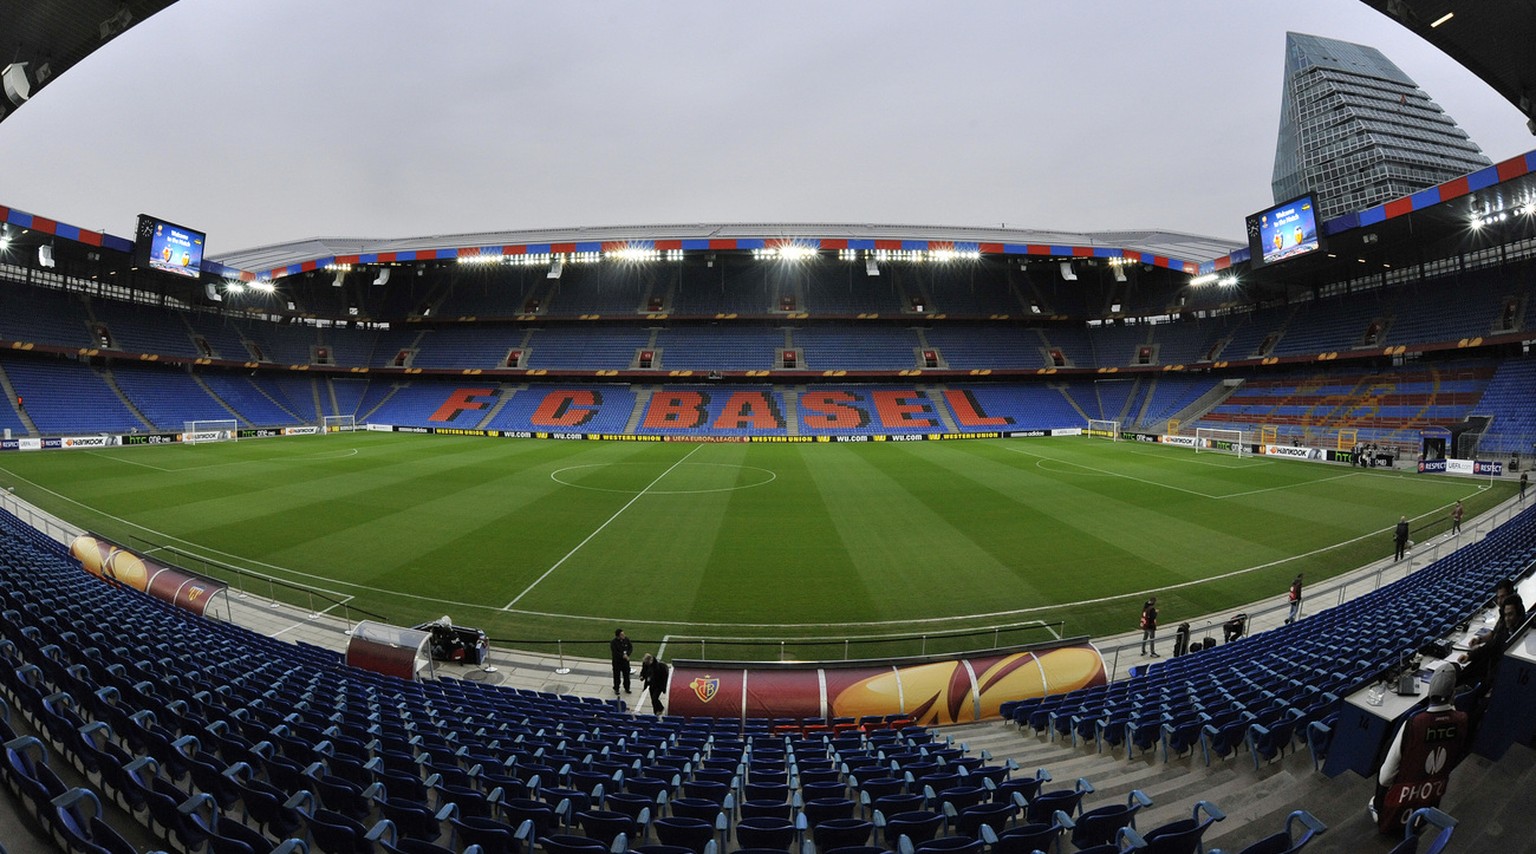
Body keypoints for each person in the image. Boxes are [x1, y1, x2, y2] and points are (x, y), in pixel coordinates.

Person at [1369, 664, 1467, 833]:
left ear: (1429, 693)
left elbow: (1385, 779)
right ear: (1453, 694)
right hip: (1430, 802)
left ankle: (1377, 807)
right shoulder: (1462, 720)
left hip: (1396, 811)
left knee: (1388, 749)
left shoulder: (1414, 724)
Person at [610, 628, 632, 694]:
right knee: (617, 676)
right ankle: (616, 688)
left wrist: (627, 654)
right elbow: (615, 652)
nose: (623, 635)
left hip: (625, 662)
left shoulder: (626, 640)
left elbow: (630, 648)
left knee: (627, 676)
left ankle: (627, 688)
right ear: (618, 636)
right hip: (617, 662)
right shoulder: (613, 642)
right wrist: (623, 656)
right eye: (622, 634)